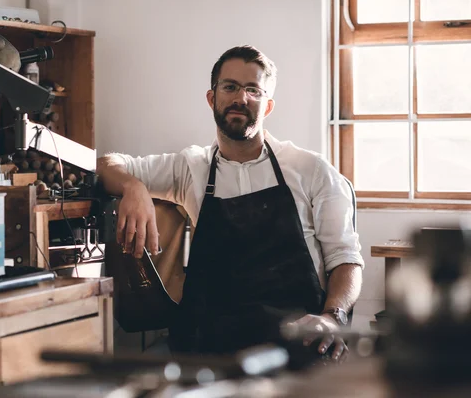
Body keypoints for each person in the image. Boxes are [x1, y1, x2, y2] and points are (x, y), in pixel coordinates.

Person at [97, 45, 364, 363]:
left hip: (296, 346)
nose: (241, 98)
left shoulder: (311, 170)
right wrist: (133, 186)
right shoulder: (190, 167)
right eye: (231, 87)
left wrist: (331, 317)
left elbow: (346, 259)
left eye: (253, 89)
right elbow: (103, 164)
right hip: (210, 347)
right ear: (212, 98)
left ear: (267, 106)